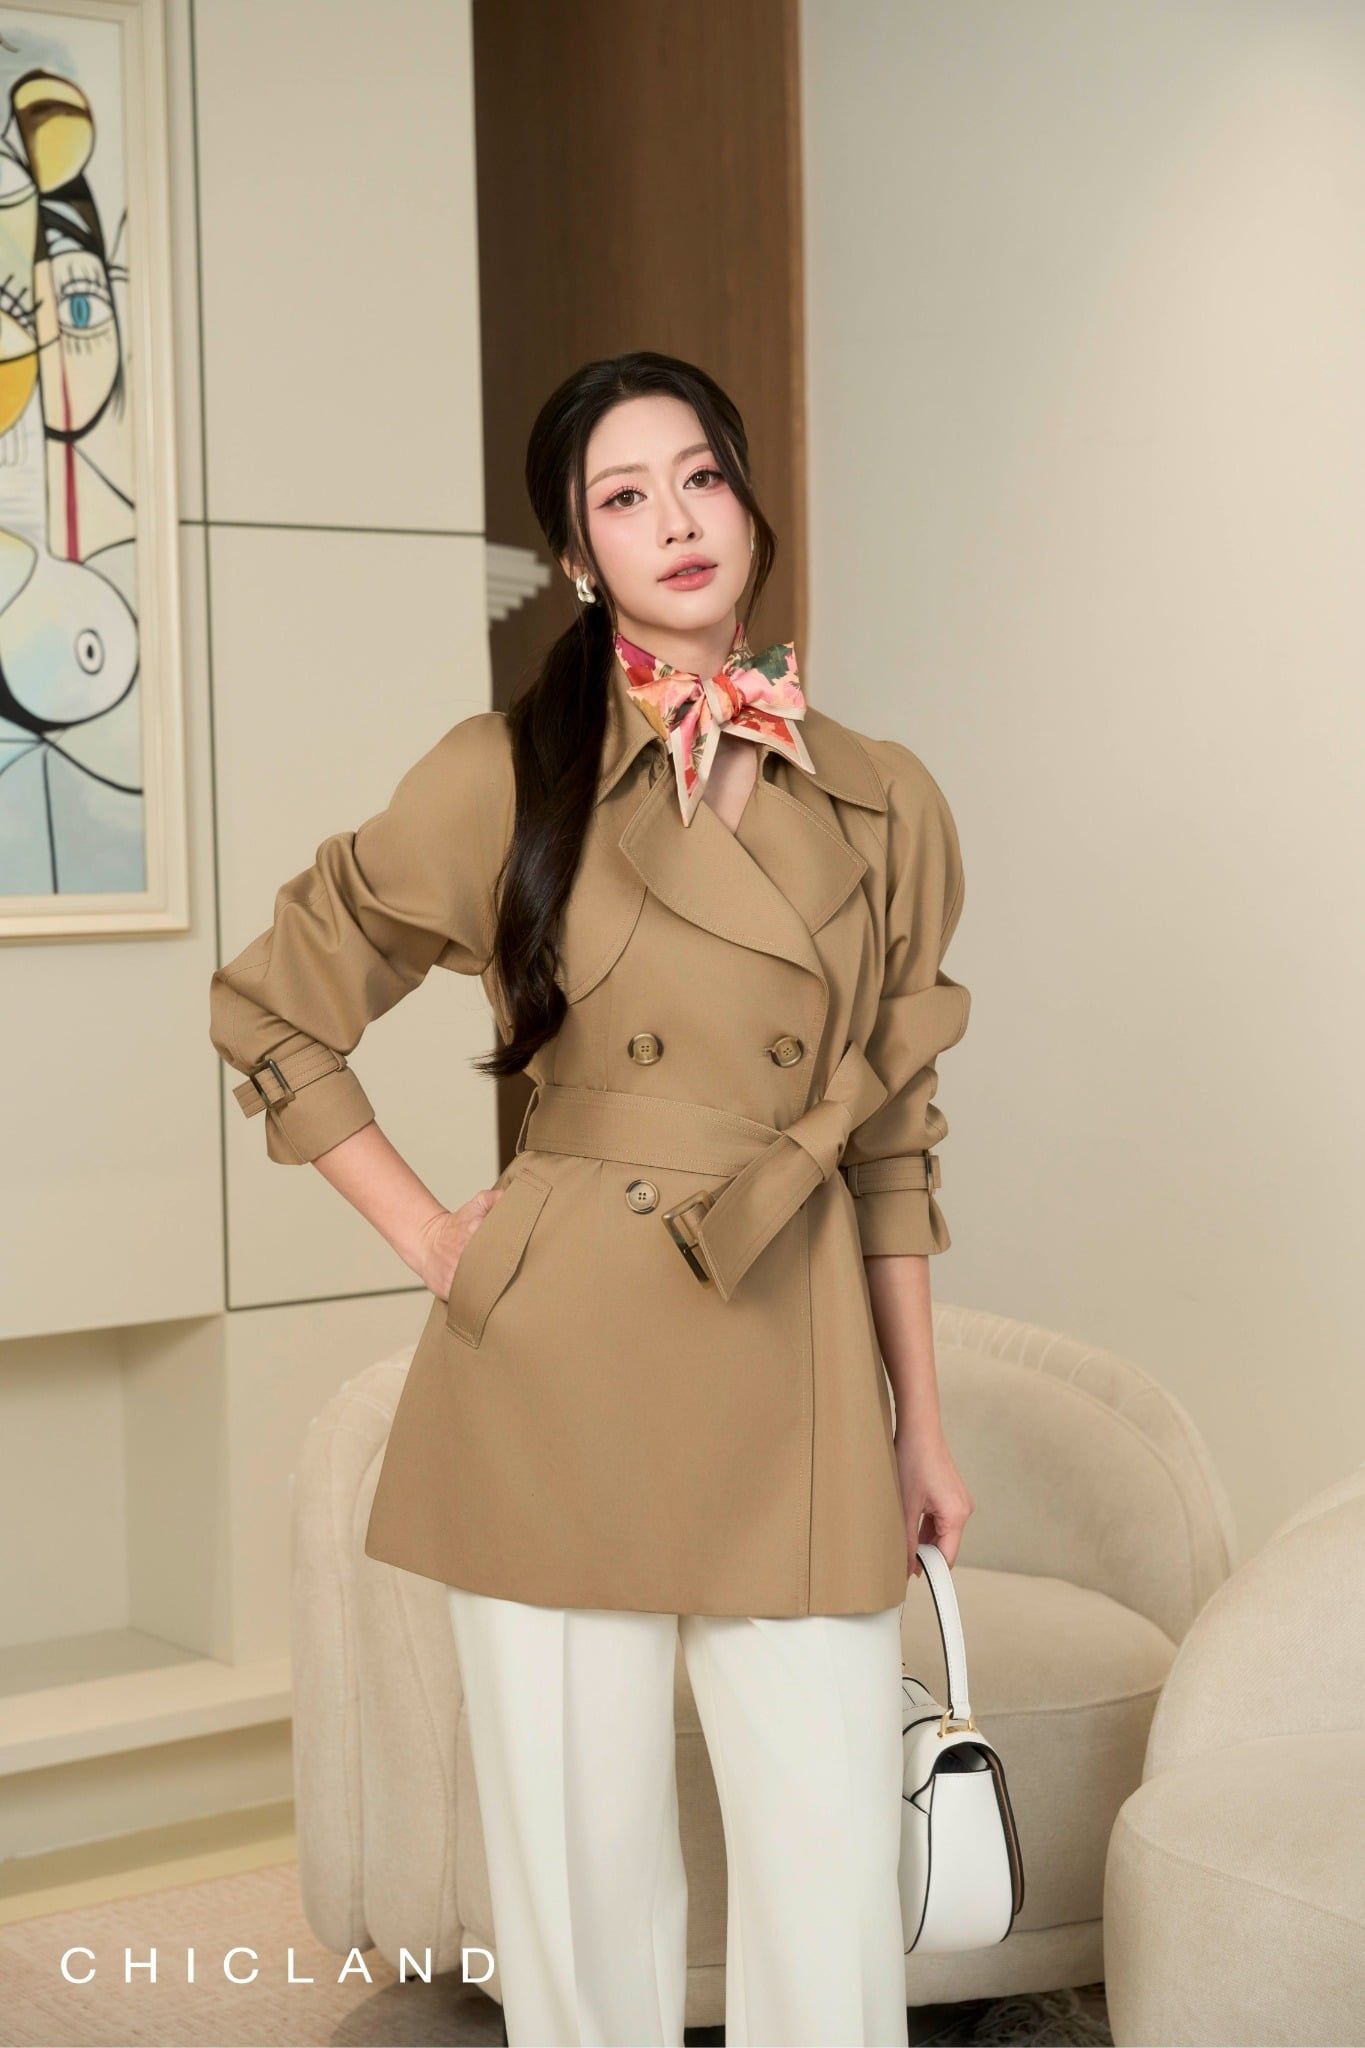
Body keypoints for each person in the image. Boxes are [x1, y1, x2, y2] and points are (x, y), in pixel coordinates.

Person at [209, 349, 975, 2048]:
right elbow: (272, 1008)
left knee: (831, 1882)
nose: (675, 521)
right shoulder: (502, 771)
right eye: (622, 498)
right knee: (578, 1891)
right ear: (575, 556)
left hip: (789, 1360)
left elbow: (892, 1142)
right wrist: (426, 1234)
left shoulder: (886, 797)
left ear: (748, 502)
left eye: (699, 477)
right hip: (559, 1370)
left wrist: (918, 1424)